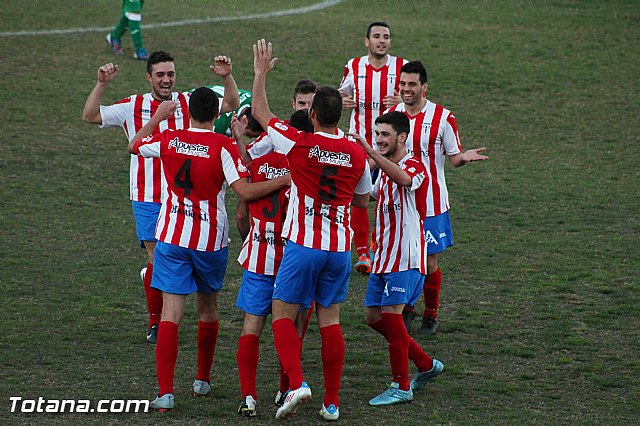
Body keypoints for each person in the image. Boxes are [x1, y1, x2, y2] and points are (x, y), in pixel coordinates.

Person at [127, 87, 291, 412]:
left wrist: (157, 119)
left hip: (171, 237)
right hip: (209, 241)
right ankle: (202, 379)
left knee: (171, 314)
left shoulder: (170, 138)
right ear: (218, 114)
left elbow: (133, 146)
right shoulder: (223, 145)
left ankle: (165, 392)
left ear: (188, 112)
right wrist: (283, 181)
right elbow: (244, 190)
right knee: (207, 309)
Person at [82, 52, 240, 344]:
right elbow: (90, 115)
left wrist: (226, 77)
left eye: (170, 74)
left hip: (182, 198)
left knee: (167, 262)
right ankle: (157, 323)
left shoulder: (188, 101)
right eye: (160, 75)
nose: (166, 80)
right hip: (147, 195)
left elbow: (231, 103)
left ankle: (167, 314)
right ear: (149, 78)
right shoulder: (133, 105)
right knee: (157, 260)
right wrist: (101, 84)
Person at [251, 39, 372, 421]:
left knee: (282, 314)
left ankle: (298, 382)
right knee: (330, 321)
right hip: (339, 248)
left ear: (314, 114)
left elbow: (260, 111)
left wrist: (260, 73)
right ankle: (332, 403)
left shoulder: (298, 141)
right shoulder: (355, 151)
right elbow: (362, 201)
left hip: (303, 244)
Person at [386, 61, 488, 335]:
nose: (406, 89)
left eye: (412, 84)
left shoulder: (443, 117)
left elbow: (454, 158)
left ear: (424, 87)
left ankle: (430, 314)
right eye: (403, 84)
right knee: (402, 259)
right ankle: (406, 307)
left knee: (429, 263)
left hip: (431, 204)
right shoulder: (392, 115)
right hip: (398, 203)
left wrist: (463, 158)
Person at [352, 111, 444, 406]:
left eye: (385, 135)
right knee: (373, 317)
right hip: (384, 258)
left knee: (392, 316)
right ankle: (426, 364)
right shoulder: (383, 170)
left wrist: (370, 154)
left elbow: (404, 179)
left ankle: (401, 386)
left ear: (401, 137)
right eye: (376, 134)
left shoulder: (415, 165)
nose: (379, 140)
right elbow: (368, 197)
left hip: (406, 256)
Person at [338, 22, 408, 275]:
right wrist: (342, 100)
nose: (382, 41)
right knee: (360, 200)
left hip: (391, 149)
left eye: (386, 37)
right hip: (359, 145)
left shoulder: (402, 66)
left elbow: (415, 99)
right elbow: (339, 94)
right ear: (366, 41)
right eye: (376, 36)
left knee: (388, 200)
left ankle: (382, 248)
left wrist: (403, 100)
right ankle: (364, 254)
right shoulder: (354, 66)